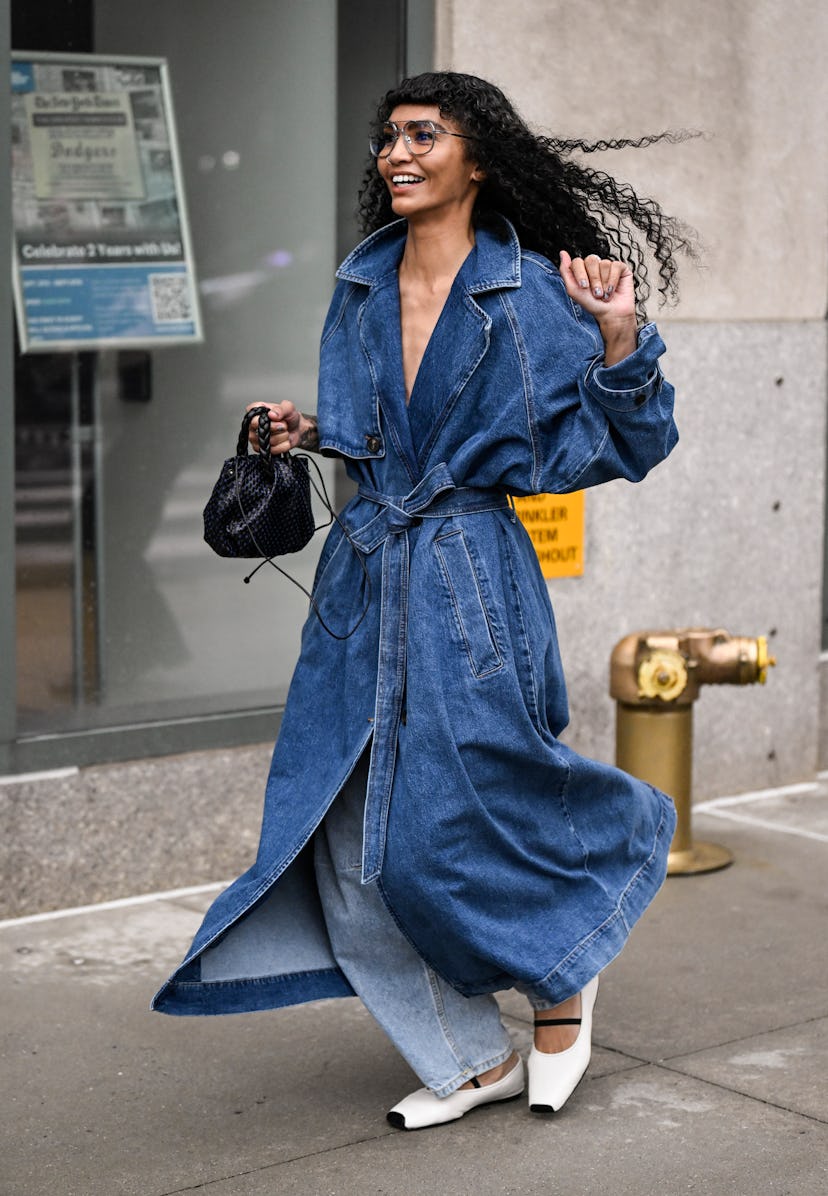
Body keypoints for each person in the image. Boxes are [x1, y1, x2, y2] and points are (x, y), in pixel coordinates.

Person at [153, 72, 693, 1130]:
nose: (394, 154)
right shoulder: (360, 286)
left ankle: (562, 969)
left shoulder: (535, 292)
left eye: (422, 135)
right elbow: (377, 434)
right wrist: (310, 434)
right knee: (344, 839)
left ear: (477, 157)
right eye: (388, 138)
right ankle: (462, 1053)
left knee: (455, 821)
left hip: (467, 586)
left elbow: (633, 441)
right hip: (362, 581)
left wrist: (622, 336)